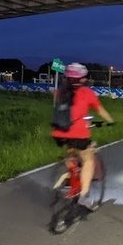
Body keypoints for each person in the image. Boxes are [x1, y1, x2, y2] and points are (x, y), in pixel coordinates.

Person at [51, 62, 114, 210]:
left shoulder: (60, 92)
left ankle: (67, 181)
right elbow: (100, 110)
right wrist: (111, 121)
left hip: (59, 132)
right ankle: (84, 196)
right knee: (88, 160)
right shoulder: (86, 93)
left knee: (71, 155)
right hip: (78, 134)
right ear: (82, 79)